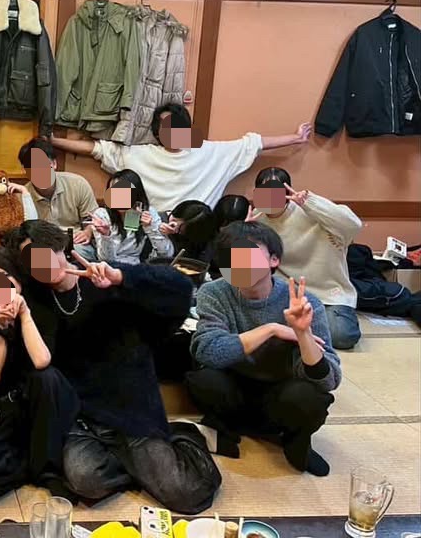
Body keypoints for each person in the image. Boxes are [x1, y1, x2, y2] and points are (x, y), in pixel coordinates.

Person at [9, 220, 221, 514]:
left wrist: (121, 277)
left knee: (186, 495)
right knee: (86, 481)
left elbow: (181, 289)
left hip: (131, 408)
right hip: (83, 417)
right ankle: (141, 467)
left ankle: (183, 436)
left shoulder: (104, 278)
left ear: (60, 247)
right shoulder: (35, 302)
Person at [187, 221, 341, 477]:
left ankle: (294, 440)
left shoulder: (303, 302)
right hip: (235, 387)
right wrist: (271, 329)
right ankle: (227, 428)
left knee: (309, 397)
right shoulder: (214, 292)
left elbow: (329, 380)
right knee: (204, 378)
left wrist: (303, 334)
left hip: (280, 393)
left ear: (273, 259)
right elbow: (208, 351)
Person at [0, 247, 79, 504]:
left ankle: (46, 470)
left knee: (46, 377)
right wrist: (2, 327)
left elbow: (41, 361)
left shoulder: (39, 304)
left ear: (17, 276)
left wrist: (25, 315)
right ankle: (32, 463)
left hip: (40, 401)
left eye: (5, 277)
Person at [51, 103, 313, 209]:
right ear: (157, 132)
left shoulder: (208, 152)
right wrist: (53, 141)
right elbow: (96, 149)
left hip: (195, 226)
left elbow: (253, 144)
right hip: (150, 226)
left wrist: (295, 138)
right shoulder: (140, 154)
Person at [252, 167, 363, 350]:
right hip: (285, 294)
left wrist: (310, 202)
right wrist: (244, 233)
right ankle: (299, 329)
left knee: (341, 335)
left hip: (327, 294)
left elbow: (353, 225)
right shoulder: (256, 218)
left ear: (287, 191)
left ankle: (300, 329)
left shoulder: (311, 209)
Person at [17, 138, 99, 261]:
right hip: (42, 248)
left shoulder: (78, 184)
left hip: (75, 244)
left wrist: (88, 232)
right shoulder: (22, 197)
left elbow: (93, 219)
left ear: (54, 164)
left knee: (81, 252)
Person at [88, 169, 174, 265]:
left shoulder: (147, 212)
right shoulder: (102, 215)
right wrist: (106, 236)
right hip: (110, 268)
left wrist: (150, 228)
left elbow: (167, 254)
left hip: (136, 268)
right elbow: (106, 260)